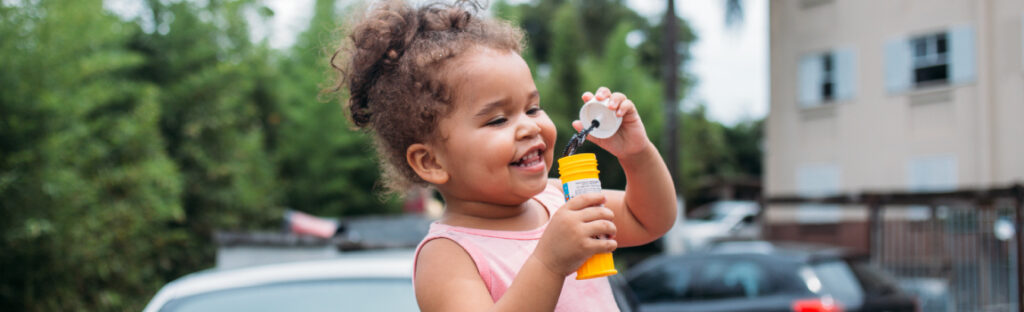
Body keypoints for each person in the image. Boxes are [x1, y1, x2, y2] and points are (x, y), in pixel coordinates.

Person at [327, 1, 676, 310]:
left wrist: (637, 154)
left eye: (533, 108)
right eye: (497, 119)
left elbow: (648, 220)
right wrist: (549, 263)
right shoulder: (448, 256)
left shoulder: (558, 198)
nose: (528, 127)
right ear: (431, 161)